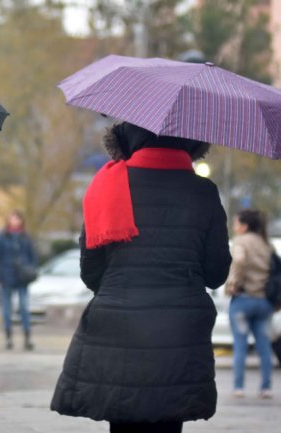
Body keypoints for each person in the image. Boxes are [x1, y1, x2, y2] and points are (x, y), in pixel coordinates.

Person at [50, 122, 232, 433]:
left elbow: (91, 272)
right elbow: (216, 274)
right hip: (179, 330)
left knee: (122, 419)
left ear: (127, 138)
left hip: (118, 326)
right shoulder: (203, 192)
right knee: (168, 419)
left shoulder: (107, 186)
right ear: (189, 142)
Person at [225, 209, 274, 399]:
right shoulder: (266, 243)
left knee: (240, 345)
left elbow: (239, 260)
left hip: (243, 301)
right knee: (263, 346)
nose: (235, 227)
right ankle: (266, 387)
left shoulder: (241, 241)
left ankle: (239, 387)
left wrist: (233, 285)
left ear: (244, 226)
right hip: (263, 302)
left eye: (236, 223)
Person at [0, 210, 38, 350]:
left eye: (17, 218)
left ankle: (27, 337)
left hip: (22, 277)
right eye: (12, 218)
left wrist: (31, 270)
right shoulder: (2, 237)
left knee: (24, 307)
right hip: (6, 277)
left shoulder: (26, 237)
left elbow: (33, 257)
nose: (15, 221)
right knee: (7, 309)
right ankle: (8, 337)